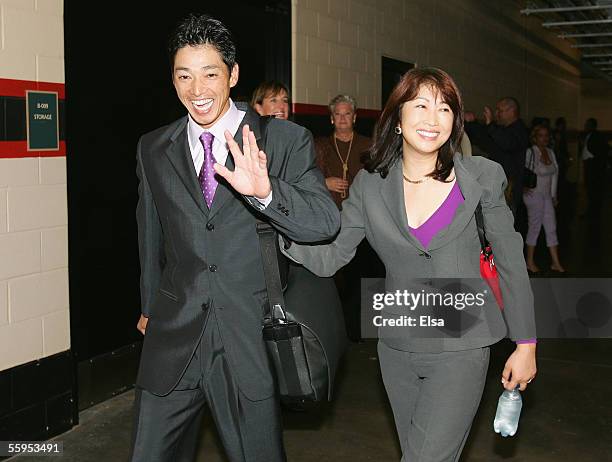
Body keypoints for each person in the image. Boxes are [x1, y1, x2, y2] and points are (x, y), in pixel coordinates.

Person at [284, 68, 537, 461]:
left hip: (462, 345)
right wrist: (276, 231)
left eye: (444, 108)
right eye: (420, 105)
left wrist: (526, 342)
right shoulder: (370, 185)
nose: (432, 118)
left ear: (454, 122)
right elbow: (333, 255)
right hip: (397, 344)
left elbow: (510, 261)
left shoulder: (481, 177)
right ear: (397, 119)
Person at [130, 14, 340, 462]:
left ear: (234, 74)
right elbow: (151, 232)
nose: (196, 89)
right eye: (183, 75)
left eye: (210, 74)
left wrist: (266, 193)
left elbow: (325, 222)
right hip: (173, 336)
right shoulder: (153, 147)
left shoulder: (283, 140)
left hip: (248, 336)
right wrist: (149, 306)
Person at [464, 97, 530, 219]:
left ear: (512, 111)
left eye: (500, 110)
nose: (496, 114)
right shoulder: (501, 130)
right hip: (496, 186)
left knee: (504, 226)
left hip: (508, 188)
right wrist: (472, 123)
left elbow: (507, 143)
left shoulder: (520, 130)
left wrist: (490, 124)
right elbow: (487, 143)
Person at [315, 94, 371, 208]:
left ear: (354, 117)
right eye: (337, 114)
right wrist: (324, 183)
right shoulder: (320, 146)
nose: (342, 118)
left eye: (347, 114)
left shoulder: (368, 145)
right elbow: (306, 179)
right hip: (329, 210)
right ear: (332, 118)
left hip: (361, 209)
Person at [523, 125, 565, 273]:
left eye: (546, 135)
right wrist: (523, 186)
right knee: (534, 227)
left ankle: (556, 263)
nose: (544, 138)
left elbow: (555, 175)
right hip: (533, 195)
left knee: (551, 227)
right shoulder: (531, 152)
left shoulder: (550, 152)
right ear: (535, 137)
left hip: (547, 196)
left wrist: (554, 196)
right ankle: (529, 261)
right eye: (541, 135)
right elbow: (525, 171)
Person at [579, 118, 609, 226]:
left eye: (588, 124)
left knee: (595, 191)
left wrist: (594, 160)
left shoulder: (597, 136)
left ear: (593, 126)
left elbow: (602, 151)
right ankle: (592, 211)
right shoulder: (588, 135)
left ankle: (595, 213)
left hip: (595, 169)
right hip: (590, 167)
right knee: (590, 190)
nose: (585, 126)